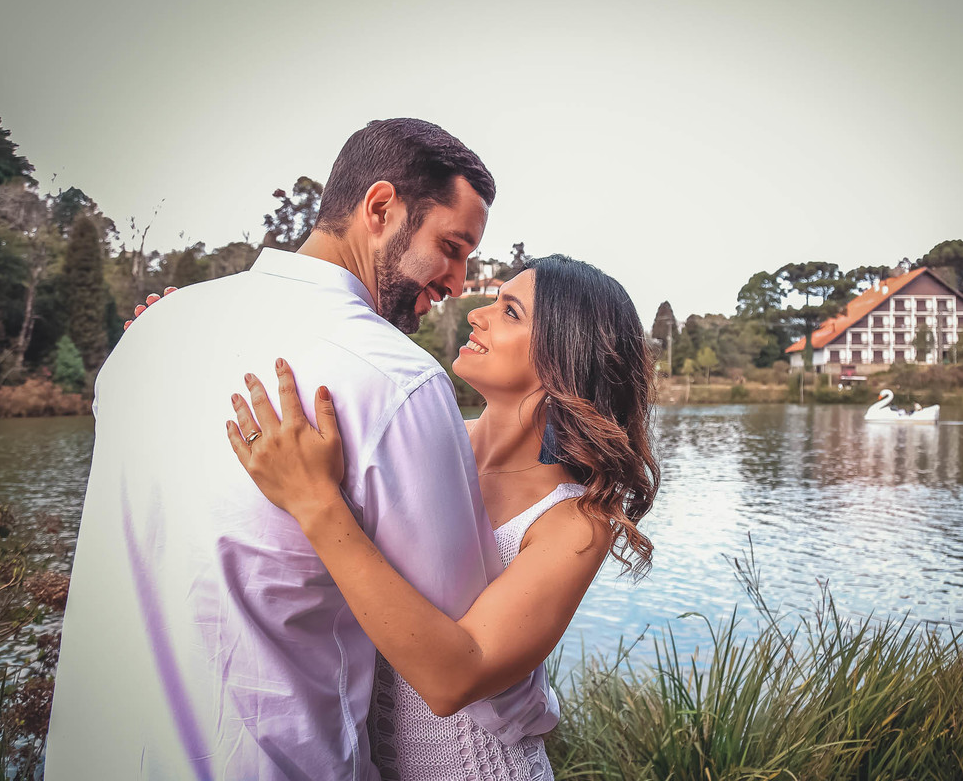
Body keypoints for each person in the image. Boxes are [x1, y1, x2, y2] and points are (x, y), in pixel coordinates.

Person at [46, 119, 559, 780]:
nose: (458, 280)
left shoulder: (144, 340)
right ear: (380, 208)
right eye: (451, 246)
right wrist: (534, 719)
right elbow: (458, 658)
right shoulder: (392, 378)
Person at [221, 255, 659, 780]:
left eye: (510, 312)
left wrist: (318, 504)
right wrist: (197, 341)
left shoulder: (573, 523)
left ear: (562, 358)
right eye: (493, 300)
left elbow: (455, 677)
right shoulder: (420, 438)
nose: (478, 314)